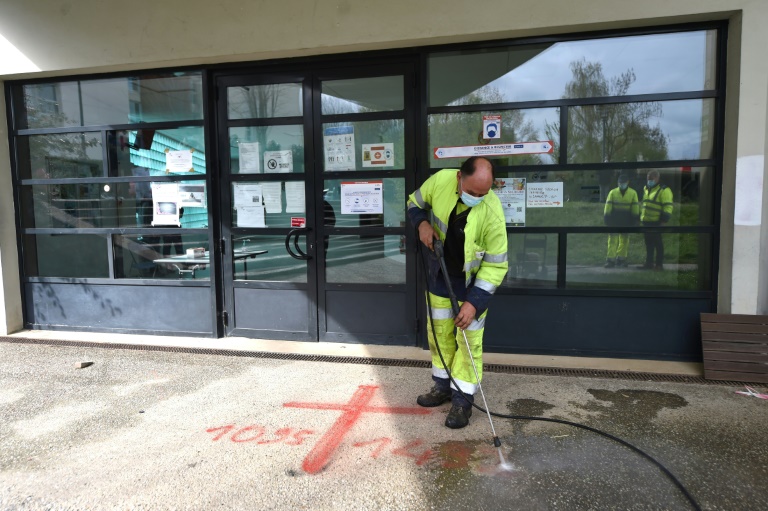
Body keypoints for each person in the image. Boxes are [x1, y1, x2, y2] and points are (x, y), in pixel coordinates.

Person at [407, 156, 508, 429]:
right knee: (439, 334)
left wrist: (474, 303)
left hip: (472, 286)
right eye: (472, 192)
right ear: (459, 177)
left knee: (469, 341)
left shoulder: (492, 211)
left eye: (483, 194)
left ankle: (463, 400)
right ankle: (442, 386)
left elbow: (496, 265)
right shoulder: (440, 180)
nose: (478, 198)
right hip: (440, 275)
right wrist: (422, 224)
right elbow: (414, 203)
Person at [637, 170, 673, 270]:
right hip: (646, 222)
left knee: (658, 244)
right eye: (648, 179)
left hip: (656, 222)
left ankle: (659, 265)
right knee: (649, 244)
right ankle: (649, 263)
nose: (649, 181)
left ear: (657, 178)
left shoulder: (664, 190)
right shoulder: (646, 188)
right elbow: (644, 204)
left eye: (651, 179)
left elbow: (668, 207)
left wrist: (663, 221)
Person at [603, 174, 639, 268]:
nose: (621, 184)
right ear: (618, 183)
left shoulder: (633, 193)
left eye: (623, 183)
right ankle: (610, 260)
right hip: (614, 220)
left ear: (627, 182)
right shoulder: (612, 192)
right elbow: (608, 206)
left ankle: (621, 259)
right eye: (620, 183)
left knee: (624, 240)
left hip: (626, 221)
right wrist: (606, 217)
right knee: (612, 240)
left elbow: (635, 207)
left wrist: (635, 218)